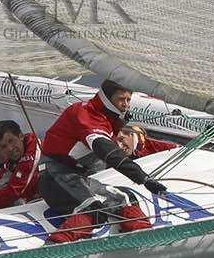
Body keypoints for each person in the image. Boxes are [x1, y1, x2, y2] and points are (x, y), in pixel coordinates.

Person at [38, 79, 166, 242]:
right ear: (106, 98)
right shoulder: (86, 115)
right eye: (121, 99)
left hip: (76, 177)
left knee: (124, 198)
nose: (126, 104)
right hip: (54, 176)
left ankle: (145, 238)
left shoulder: (109, 119)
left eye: (128, 99)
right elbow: (107, 151)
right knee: (93, 210)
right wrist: (144, 178)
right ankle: (54, 246)